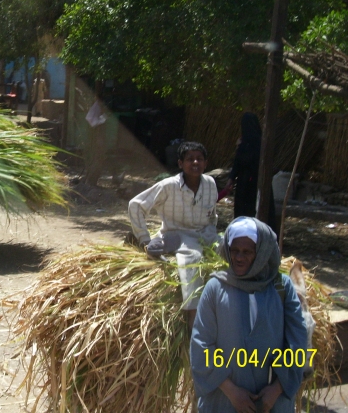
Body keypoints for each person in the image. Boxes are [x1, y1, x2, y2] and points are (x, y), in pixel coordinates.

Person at [190, 217, 307, 412]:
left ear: (261, 253)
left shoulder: (281, 287)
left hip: (271, 403)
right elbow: (201, 344)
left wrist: (276, 389)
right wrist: (232, 392)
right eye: (234, 250)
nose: (238, 257)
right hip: (223, 401)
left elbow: (298, 341)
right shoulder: (216, 288)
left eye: (247, 252)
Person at [128, 141, 218, 329]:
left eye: (199, 159)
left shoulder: (210, 183)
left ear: (206, 163)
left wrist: (212, 233)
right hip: (177, 236)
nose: (195, 162)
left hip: (205, 234)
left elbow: (212, 215)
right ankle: (193, 317)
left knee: (228, 250)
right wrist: (145, 240)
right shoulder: (169, 186)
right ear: (180, 164)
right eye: (190, 159)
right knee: (192, 260)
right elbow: (136, 205)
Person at [224, 112, 277, 233]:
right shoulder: (252, 142)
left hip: (252, 183)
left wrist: (240, 149)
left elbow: (242, 161)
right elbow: (237, 163)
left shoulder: (258, 143)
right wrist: (231, 179)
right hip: (250, 183)